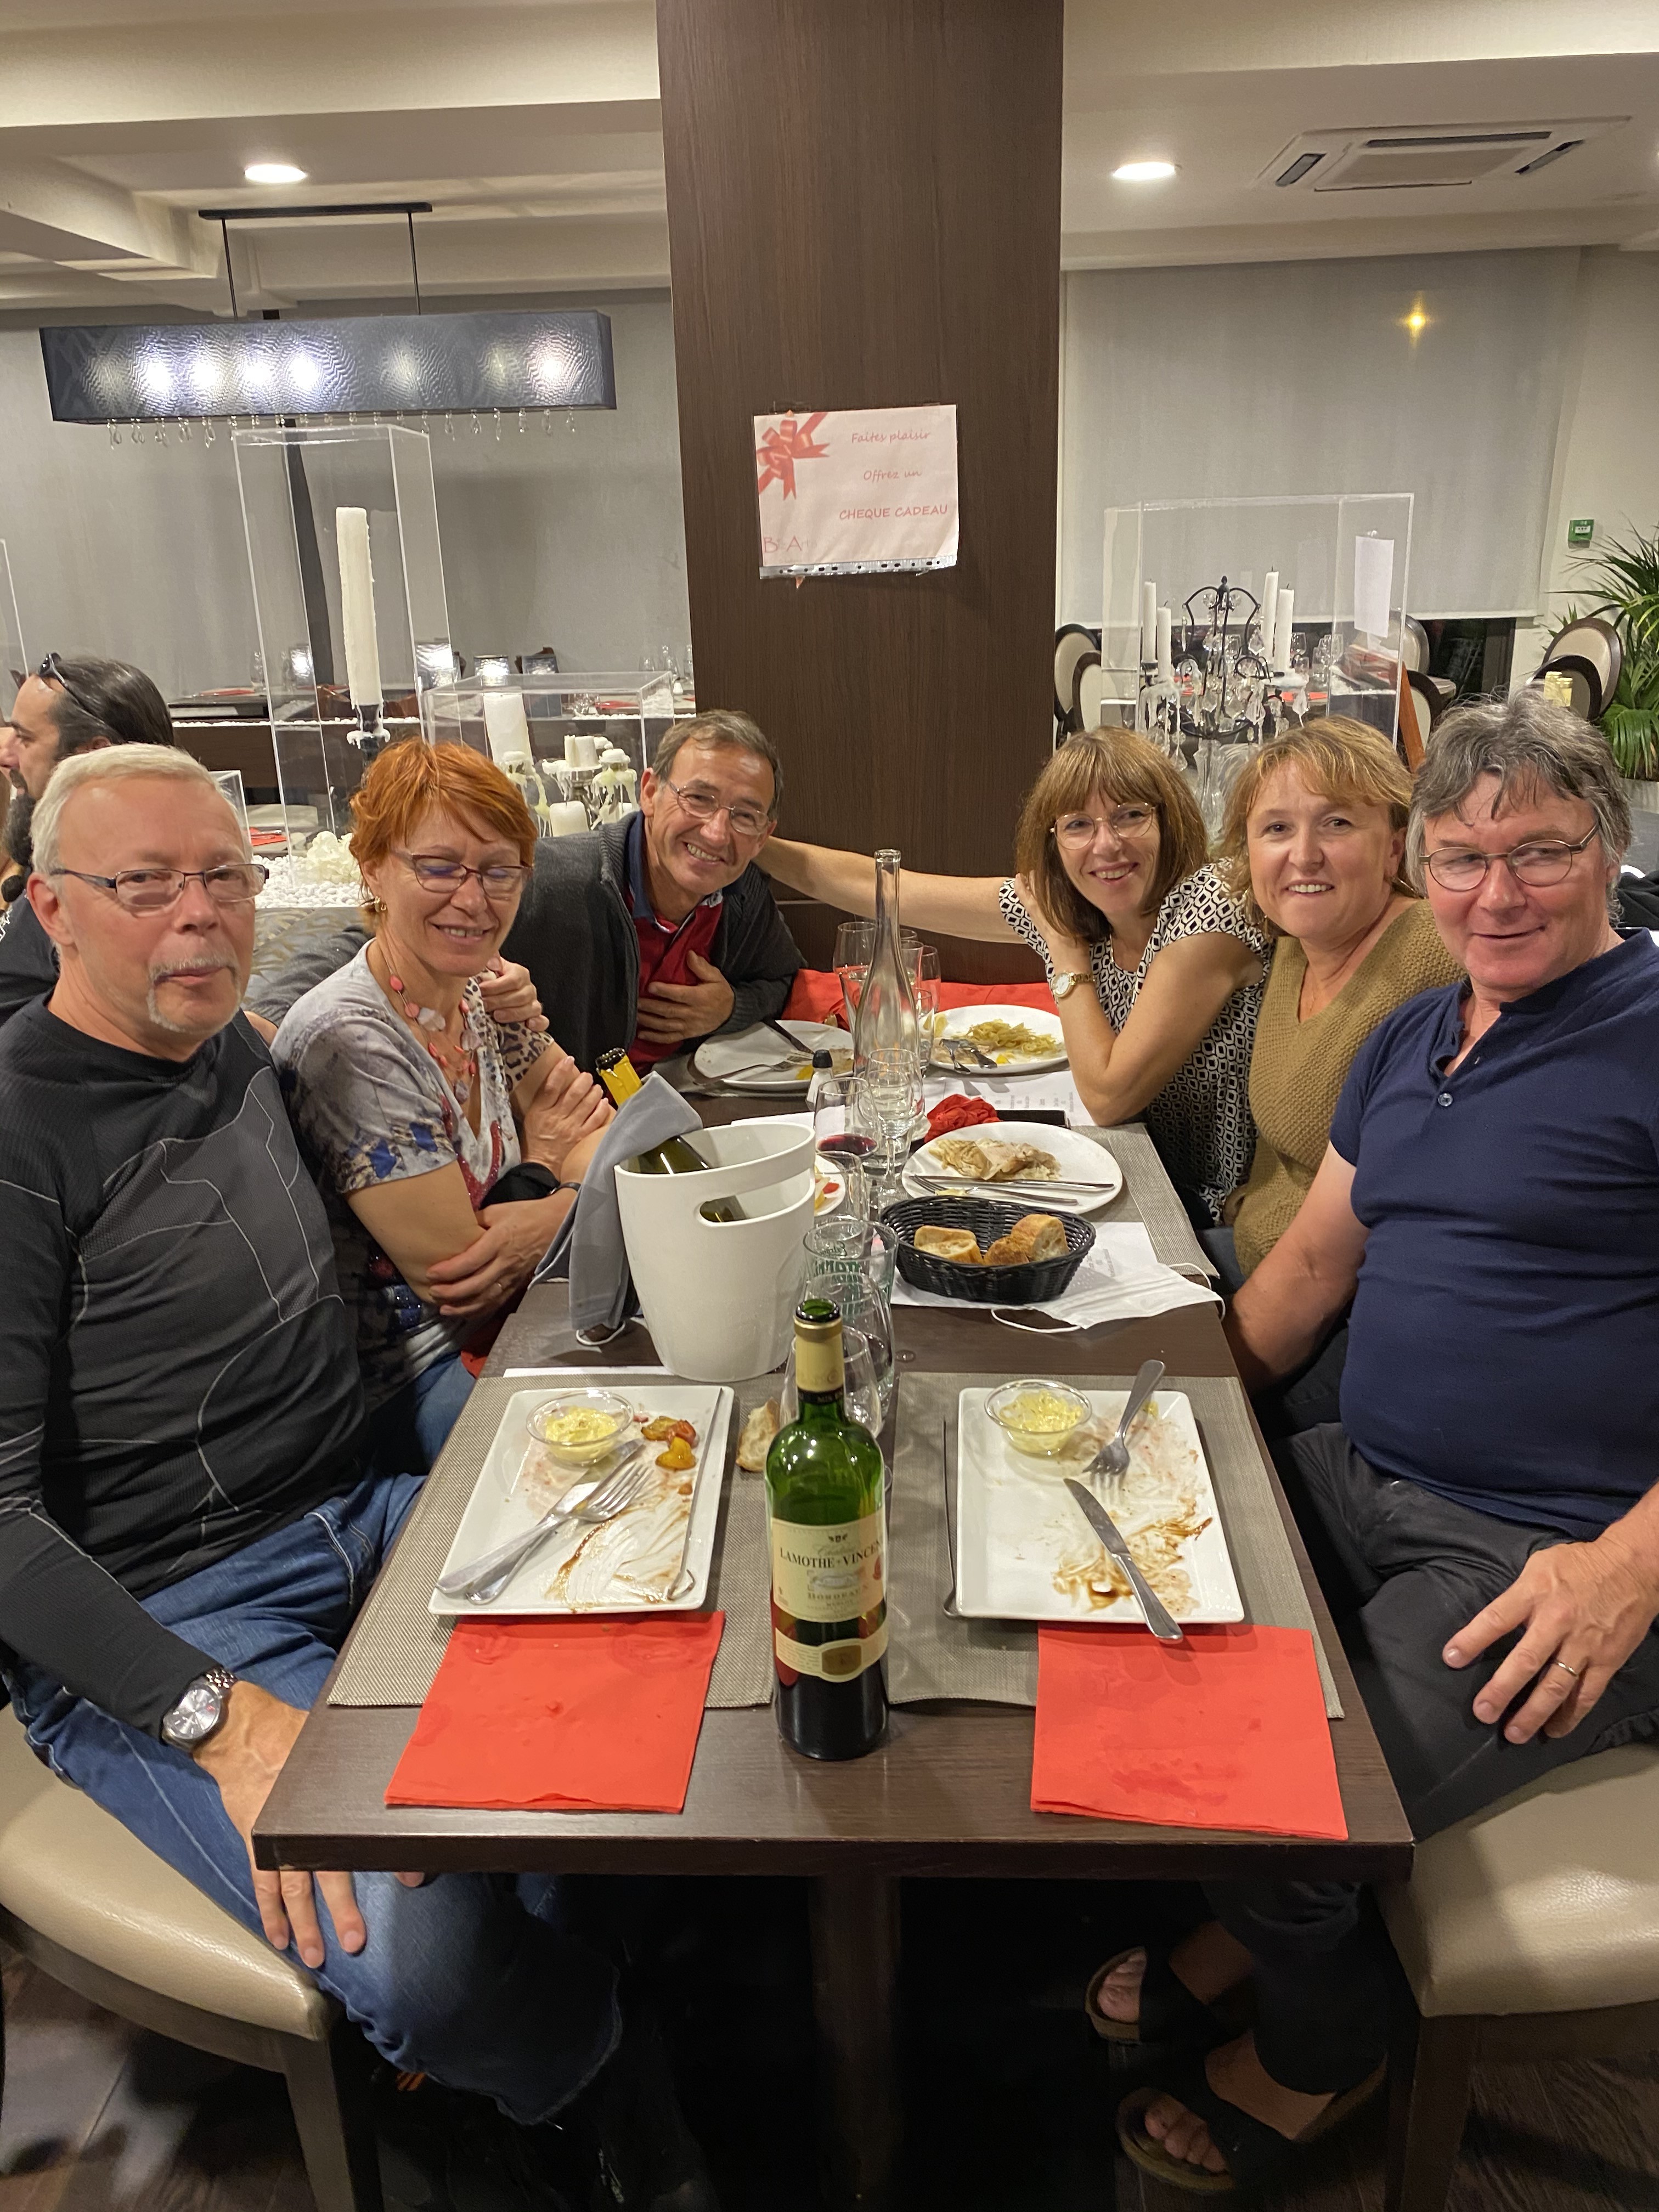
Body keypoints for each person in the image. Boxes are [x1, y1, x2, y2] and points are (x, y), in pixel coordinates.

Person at [0, 741, 716, 2212]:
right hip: (171, 1616)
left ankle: (565, 1993)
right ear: (50, 906)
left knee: (667, 1609)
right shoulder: (21, 1136)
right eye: (146, 885)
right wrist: (213, 1718)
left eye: (224, 877)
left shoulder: (237, 1045)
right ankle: (585, 2073)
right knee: (430, 1955)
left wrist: (515, 1048)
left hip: (364, 1503)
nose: (198, 914)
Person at [1096, 693, 1659, 2197]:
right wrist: (1153, 1418)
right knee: (1118, 1627)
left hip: (1553, 1553)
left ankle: (1320, 2047)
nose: (1498, 893)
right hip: (1367, 1469)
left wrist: (1630, 1567)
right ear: (1428, 865)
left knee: (1260, 1788)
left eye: (1541, 852)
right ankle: (1263, 1909)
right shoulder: (1419, 1032)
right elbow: (1305, 1275)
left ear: (1610, 847)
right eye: (1465, 857)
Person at [760, 727, 1268, 1223]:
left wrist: (1065, 954)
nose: (1106, 845)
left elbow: (1109, 1098)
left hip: (1219, 1210)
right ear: (1054, 841)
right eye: (1078, 825)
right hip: (1146, 1172)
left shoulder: (1208, 909)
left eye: (1130, 816)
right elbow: (892, 890)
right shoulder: (1074, 906)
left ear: (1169, 819)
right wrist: (749, 842)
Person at [273, 741, 611, 1476]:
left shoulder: (482, 988)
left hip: (522, 1313)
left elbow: (601, 1132)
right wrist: (553, 1172)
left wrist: (554, 1205)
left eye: (498, 870)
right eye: (438, 867)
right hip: (415, 1380)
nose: (474, 898)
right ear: (373, 869)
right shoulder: (351, 1040)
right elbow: (461, 1281)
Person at [251, 709, 805, 1070]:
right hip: (566, 1131)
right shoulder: (557, 882)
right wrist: (262, 1024)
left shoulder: (739, 893)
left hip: (673, 1109)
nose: (716, 833)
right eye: (699, 799)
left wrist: (729, 1008)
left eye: (744, 815)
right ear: (650, 793)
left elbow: (782, 978)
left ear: (764, 834)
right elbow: (379, 936)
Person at [1204, 719, 1464, 1433]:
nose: (1303, 854)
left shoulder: (1435, 962)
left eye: (1337, 823)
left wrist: (1203, 1385)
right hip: (1253, 1259)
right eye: (1277, 828)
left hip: (1352, 1326)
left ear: (1395, 846)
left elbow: (1329, 1266)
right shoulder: (1296, 944)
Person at [0, 651, 174, 1026]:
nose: (5, 755)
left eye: (24, 739)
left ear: (95, 756)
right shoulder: (61, 850)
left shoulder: (114, 892)